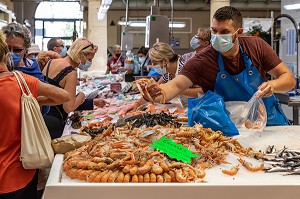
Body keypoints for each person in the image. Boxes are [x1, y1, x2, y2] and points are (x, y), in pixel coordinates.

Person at [141, 6, 295, 126]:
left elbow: (288, 79)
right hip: (230, 126)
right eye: (214, 31)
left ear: (238, 32)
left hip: (268, 122)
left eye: (225, 32)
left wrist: (273, 85)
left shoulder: (256, 47)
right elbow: (175, 86)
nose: (218, 36)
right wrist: (159, 92)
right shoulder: (203, 60)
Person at [0, 30, 70, 199]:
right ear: (5, 55)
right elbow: (63, 96)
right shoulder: (20, 81)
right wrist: (34, 101)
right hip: (17, 172)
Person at [42, 37, 108, 139]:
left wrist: (91, 102)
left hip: (41, 117)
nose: (90, 63)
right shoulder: (70, 72)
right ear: (80, 54)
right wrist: (82, 95)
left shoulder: (52, 62)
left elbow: (58, 93)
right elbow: (68, 107)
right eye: (89, 59)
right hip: (53, 123)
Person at [123, 42, 202, 113]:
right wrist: (137, 103)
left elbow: (202, 91)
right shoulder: (167, 74)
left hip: (198, 110)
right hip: (184, 111)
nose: (153, 66)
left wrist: (179, 90)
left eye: (155, 63)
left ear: (165, 61)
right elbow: (154, 92)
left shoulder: (185, 69)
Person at [2, 22, 50, 115]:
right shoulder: (2, 69)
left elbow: (46, 95)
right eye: (7, 49)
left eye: (17, 50)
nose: (10, 53)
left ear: (25, 50)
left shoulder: (32, 65)